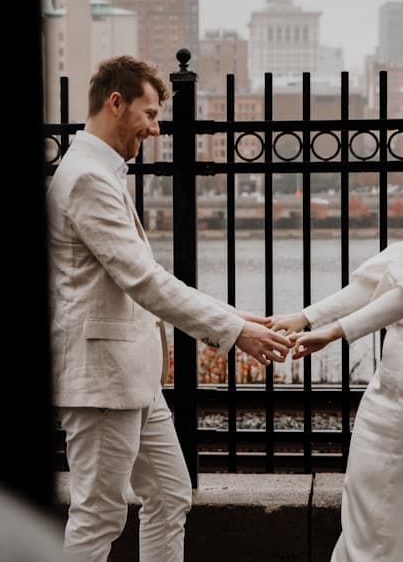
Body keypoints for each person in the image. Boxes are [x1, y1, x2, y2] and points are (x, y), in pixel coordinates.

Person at [46, 55, 294, 562]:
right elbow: (143, 280)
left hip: (132, 376)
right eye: (150, 113)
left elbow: (144, 279)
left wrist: (234, 316)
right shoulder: (88, 178)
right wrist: (231, 331)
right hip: (102, 381)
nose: (157, 129)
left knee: (169, 494)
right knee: (98, 517)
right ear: (116, 104)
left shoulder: (99, 170)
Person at [269, 115, 403, 561]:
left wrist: (335, 333)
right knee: (371, 493)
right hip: (395, 380)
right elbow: (377, 285)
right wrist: (304, 318)